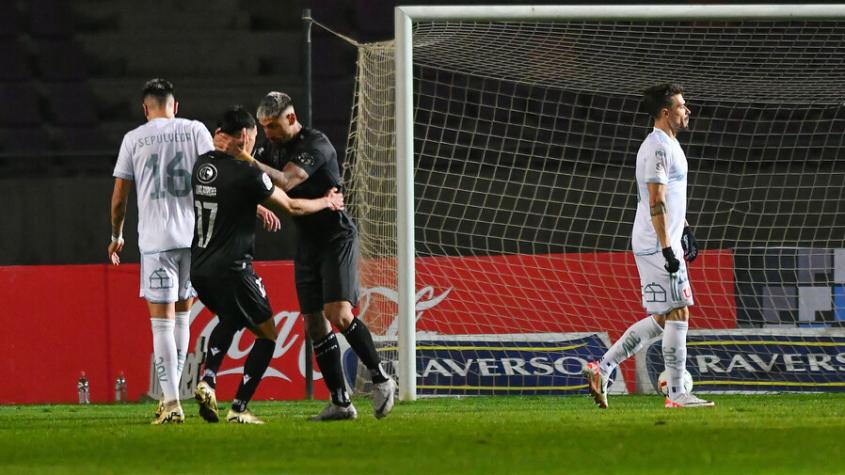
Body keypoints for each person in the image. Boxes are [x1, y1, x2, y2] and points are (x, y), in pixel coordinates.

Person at [214, 91, 396, 421]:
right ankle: (341, 402)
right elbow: (264, 184)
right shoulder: (273, 147)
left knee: (338, 314)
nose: (267, 134)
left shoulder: (317, 144)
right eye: (264, 127)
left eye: (272, 126)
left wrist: (244, 158)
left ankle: (381, 378)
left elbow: (285, 180)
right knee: (314, 324)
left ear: (292, 119)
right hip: (308, 241)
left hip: (336, 237)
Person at [191, 106, 344, 424]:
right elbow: (292, 206)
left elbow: (227, 196)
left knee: (231, 319)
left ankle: (208, 380)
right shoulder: (247, 173)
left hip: (200, 268)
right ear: (245, 136)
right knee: (268, 334)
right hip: (233, 268)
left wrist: (257, 209)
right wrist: (327, 202)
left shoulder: (202, 165)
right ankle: (239, 409)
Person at [582, 83, 714, 409]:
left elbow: (669, 199)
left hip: (661, 238)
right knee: (679, 310)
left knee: (662, 318)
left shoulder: (670, 144)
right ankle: (677, 394)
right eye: (683, 106)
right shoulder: (656, 147)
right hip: (656, 243)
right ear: (666, 112)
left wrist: (685, 231)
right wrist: (669, 248)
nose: (688, 110)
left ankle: (603, 368)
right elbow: (655, 200)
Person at [108, 78, 214, 424]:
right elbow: (215, 177)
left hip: (156, 242)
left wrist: (116, 234)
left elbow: (120, 197)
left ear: (145, 108)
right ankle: (173, 397)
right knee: (182, 318)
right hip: (193, 239)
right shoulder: (196, 130)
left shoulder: (134, 139)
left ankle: (171, 403)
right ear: (175, 105)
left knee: (161, 324)